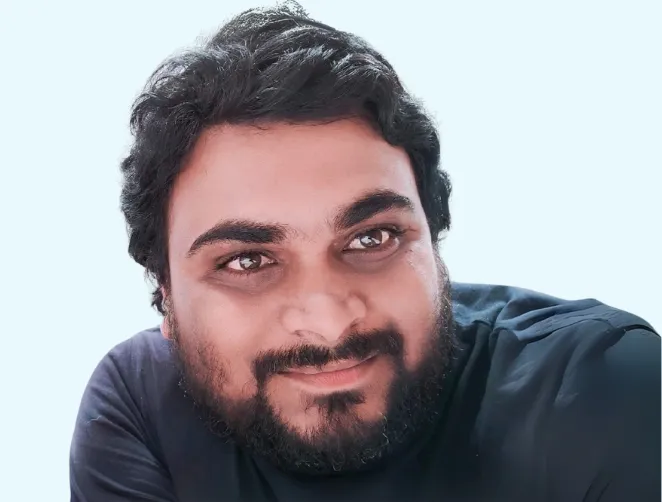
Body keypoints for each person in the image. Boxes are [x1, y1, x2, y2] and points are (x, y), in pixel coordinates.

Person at [69, 4, 660, 501]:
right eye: (247, 261)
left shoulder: (600, 390)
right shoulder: (140, 409)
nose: (329, 322)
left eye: (371, 239)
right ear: (166, 295)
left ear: (434, 241)